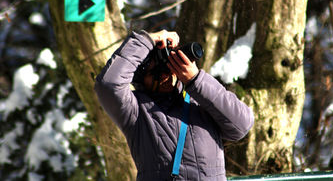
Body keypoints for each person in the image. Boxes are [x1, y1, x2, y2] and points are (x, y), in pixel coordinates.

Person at [94, 29, 254, 181]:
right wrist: (148, 40)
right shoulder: (135, 110)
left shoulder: (202, 99)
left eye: (166, 67)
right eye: (155, 72)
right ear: (140, 79)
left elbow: (242, 125)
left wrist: (196, 80)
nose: (164, 75)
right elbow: (108, 84)